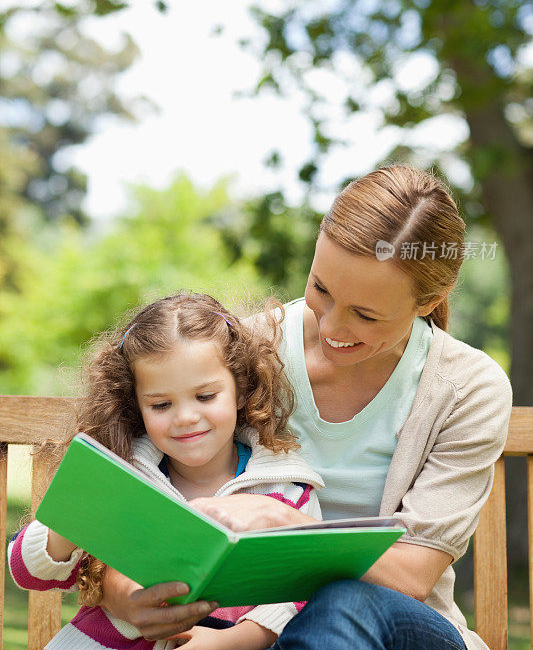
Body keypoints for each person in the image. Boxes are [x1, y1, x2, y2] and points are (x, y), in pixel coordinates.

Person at [99, 165, 513, 650]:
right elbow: (131, 481)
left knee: (342, 602)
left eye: (365, 314)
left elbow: (414, 573)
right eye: (321, 289)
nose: (333, 326)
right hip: (247, 629)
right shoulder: (245, 353)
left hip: (401, 628)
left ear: (429, 301)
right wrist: (117, 591)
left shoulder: (467, 388)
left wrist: (283, 522)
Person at [8, 292, 324, 650]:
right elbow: (27, 569)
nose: (185, 417)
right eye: (161, 404)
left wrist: (237, 640)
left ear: (240, 390)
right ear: (137, 405)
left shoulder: (286, 489)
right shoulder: (125, 475)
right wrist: (77, 515)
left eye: (205, 397)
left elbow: (301, 591)